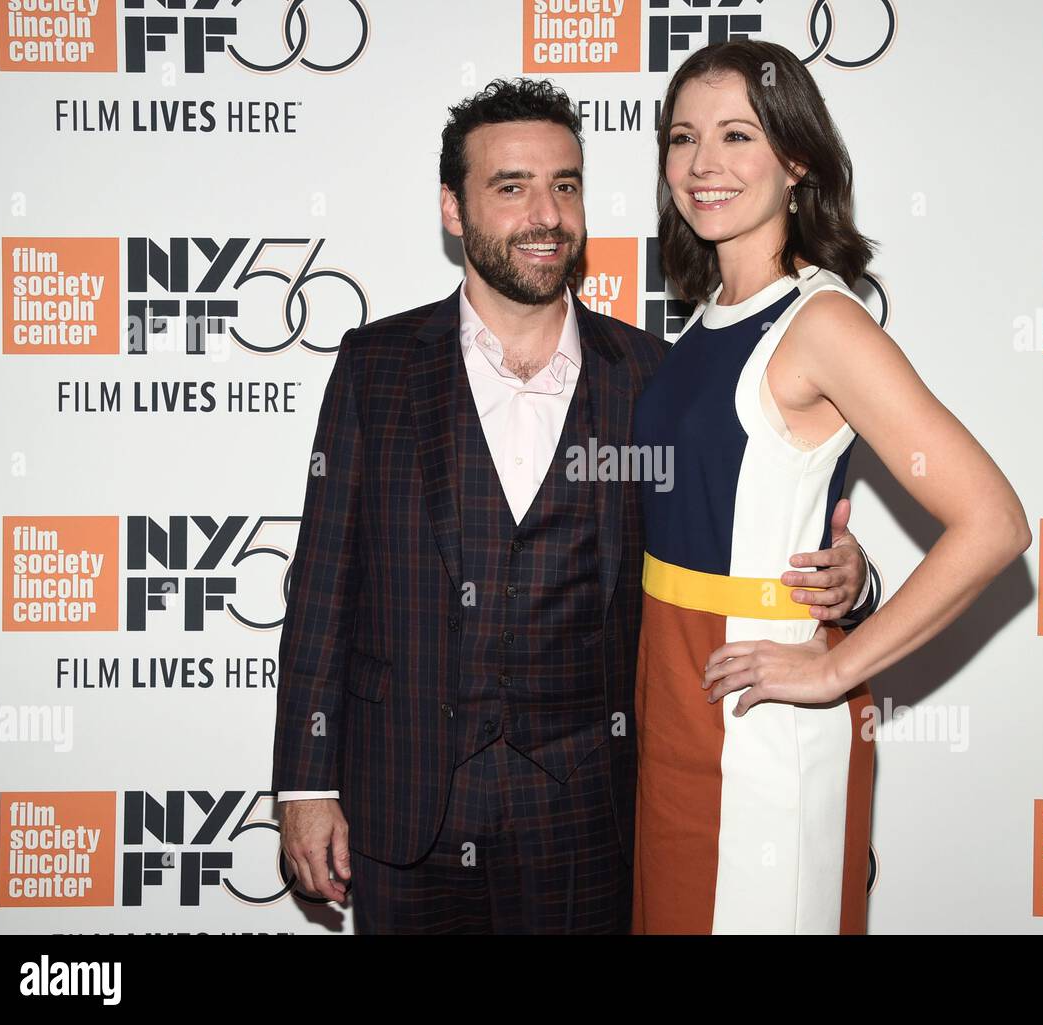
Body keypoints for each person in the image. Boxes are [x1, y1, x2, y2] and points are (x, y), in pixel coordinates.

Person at [270, 77, 885, 934]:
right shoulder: (377, 367)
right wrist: (304, 783)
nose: (546, 214)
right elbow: (322, 586)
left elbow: (726, 547)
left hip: (588, 817)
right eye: (511, 187)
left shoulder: (652, 379)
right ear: (454, 209)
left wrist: (852, 582)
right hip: (404, 808)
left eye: (566, 185)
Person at [630, 40, 1032, 935]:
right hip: (678, 710)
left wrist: (839, 666)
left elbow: (993, 521)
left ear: (796, 158)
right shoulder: (702, 322)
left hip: (765, 723)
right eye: (683, 137)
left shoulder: (822, 322)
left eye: (738, 135)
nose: (704, 165)